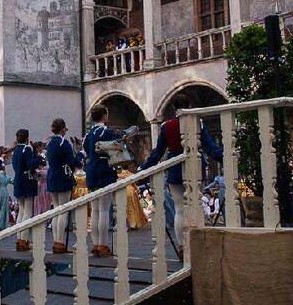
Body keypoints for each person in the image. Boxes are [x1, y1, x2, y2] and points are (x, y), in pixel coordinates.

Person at [141, 113, 223, 244]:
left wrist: (144, 168)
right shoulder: (197, 122)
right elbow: (209, 146)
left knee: (179, 209)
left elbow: (158, 152)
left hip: (175, 167)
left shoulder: (166, 126)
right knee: (197, 205)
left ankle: (181, 245)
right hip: (194, 166)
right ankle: (198, 243)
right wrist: (223, 156)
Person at [83, 105, 129, 257]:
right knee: (103, 210)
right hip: (104, 170)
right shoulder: (106, 132)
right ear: (104, 116)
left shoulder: (88, 134)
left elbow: (85, 150)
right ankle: (103, 244)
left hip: (91, 170)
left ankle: (95, 244)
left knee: (95, 210)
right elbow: (117, 147)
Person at [45, 118, 83, 254]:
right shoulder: (63, 142)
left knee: (56, 210)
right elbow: (72, 161)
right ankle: (60, 242)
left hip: (52, 176)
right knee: (63, 210)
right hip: (62, 175)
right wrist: (81, 154)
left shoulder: (49, 142)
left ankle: (57, 241)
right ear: (62, 129)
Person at [12, 129, 41, 251]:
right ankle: (24, 240)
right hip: (26, 181)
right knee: (27, 211)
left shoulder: (16, 150)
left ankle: (19, 238)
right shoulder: (26, 149)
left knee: (22, 210)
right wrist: (39, 157)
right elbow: (30, 164)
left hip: (18, 180)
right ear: (27, 138)